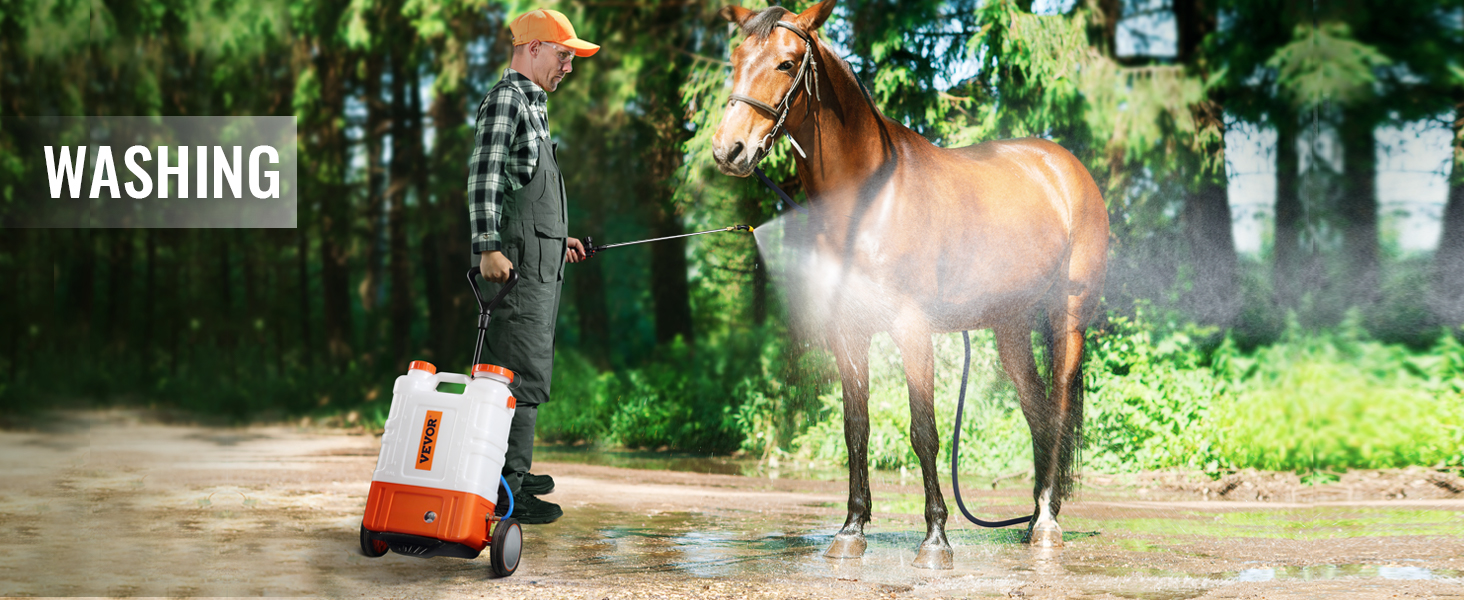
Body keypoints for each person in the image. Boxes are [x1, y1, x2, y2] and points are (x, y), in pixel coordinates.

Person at [467, 8, 598, 524]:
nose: (569, 66)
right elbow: (485, 175)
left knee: (529, 372)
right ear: (536, 48)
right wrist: (486, 246)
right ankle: (507, 491)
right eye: (565, 55)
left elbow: (524, 188)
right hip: (514, 270)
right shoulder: (506, 101)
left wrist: (556, 239)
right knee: (518, 376)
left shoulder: (534, 104)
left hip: (538, 264)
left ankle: (513, 474)